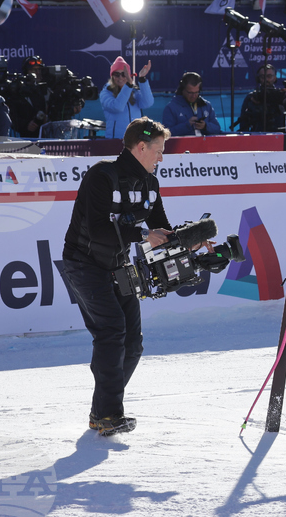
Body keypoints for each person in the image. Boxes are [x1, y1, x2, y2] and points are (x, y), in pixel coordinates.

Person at [60, 118, 177, 435]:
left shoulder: (150, 184)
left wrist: (193, 239)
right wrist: (144, 234)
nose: (161, 158)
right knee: (111, 331)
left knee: (133, 345)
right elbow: (99, 230)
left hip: (119, 266)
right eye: (158, 151)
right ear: (141, 147)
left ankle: (102, 409)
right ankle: (109, 413)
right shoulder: (102, 175)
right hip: (84, 263)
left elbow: (161, 228)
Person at [100, 57, 154, 139]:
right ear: (112, 76)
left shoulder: (134, 91)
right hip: (116, 140)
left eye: (124, 74)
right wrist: (128, 85)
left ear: (128, 75)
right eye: (116, 75)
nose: (120, 78)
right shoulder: (106, 92)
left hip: (135, 140)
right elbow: (117, 107)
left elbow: (148, 103)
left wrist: (142, 79)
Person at [162, 71, 222, 136]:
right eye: (190, 93)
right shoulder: (171, 108)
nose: (193, 96)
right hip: (184, 145)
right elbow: (166, 134)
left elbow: (217, 129)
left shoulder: (206, 105)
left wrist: (205, 126)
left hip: (206, 145)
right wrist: (187, 125)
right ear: (182, 90)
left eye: (196, 92)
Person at [237, 64, 285, 132]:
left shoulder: (280, 96)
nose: (266, 79)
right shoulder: (251, 97)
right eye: (262, 77)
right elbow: (243, 123)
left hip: (277, 135)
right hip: (256, 134)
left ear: (275, 78)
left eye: (269, 76)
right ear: (258, 79)